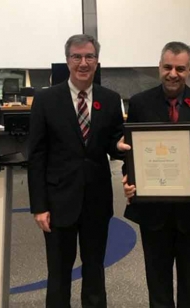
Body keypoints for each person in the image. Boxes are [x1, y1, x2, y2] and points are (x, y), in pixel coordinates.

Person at [28, 34, 129, 308]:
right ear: (67, 60)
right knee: (58, 273)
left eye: (89, 57)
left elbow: (114, 142)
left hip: (96, 200)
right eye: (77, 57)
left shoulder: (110, 99)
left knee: (95, 269)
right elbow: (36, 157)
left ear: (97, 61)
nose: (83, 63)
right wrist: (39, 206)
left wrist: (120, 146)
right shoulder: (46, 99)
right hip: (58, 202)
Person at [122, 41, 190, 307]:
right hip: (153, 208)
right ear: (159, 67)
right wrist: (128, 179)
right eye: (167, 67)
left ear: (189, 70)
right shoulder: (140, 103)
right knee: (157, 279)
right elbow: (131, 149)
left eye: (180, 68)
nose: (173, 73)